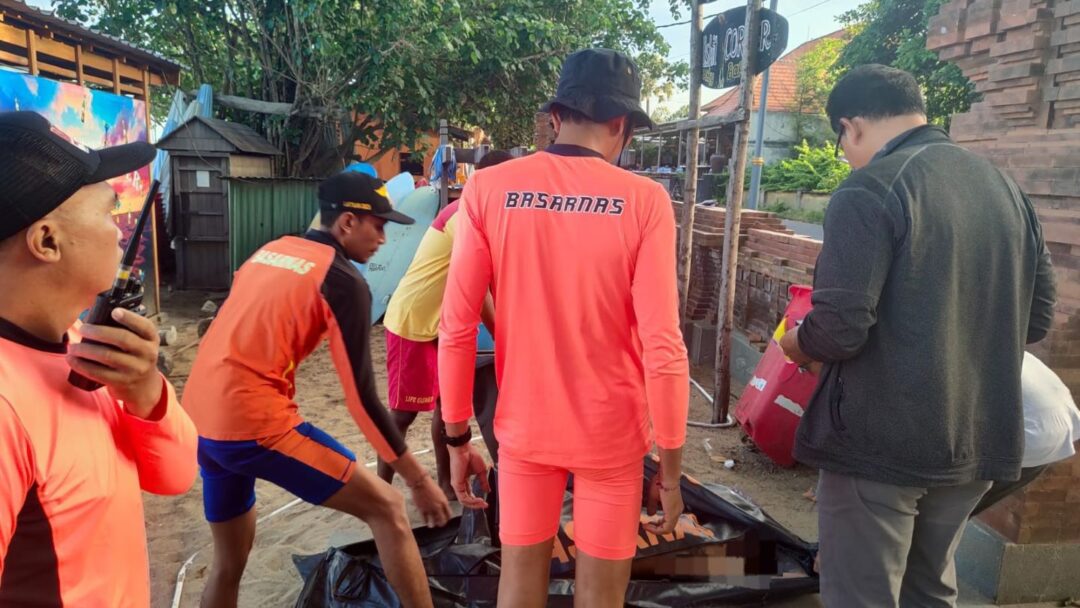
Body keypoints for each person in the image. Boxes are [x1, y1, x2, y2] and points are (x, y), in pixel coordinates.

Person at [779, 64, 1056, 607]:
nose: (846, 153)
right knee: (929, 589)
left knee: (863, 596)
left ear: (850, 126)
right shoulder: (1005, 190)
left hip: (880, 442)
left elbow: (838, 329)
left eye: (841, 141)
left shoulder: (870, 188)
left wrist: (794, 343)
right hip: (974, 437)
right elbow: (1037, 317)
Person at [438, 48, 690, 608]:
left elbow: (456, 326)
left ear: (556, 119)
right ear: (622, 126)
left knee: (519, 586)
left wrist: (457, 439)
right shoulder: (646, 200)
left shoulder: (487, 189)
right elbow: (663, 345)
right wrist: (671, 472)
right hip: (612, 437)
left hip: (525, 431)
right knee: (601, 597)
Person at [182, 172, 451, 608]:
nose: (383, 239)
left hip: (200, 418)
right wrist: (417, 479)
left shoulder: (272, 250)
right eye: (379, 226)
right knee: (388, 509)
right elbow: (362, 400)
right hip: (253, 425)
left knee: (228, 561)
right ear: (347, 222)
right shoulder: (343, 281)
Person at [0, 111, 198, 605]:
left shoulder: (78, 340)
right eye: (109, 213)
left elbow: (174, 476)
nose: (119, 230)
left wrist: (145, 392)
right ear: (47, 240)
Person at [377, 150, 512, 494]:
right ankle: (380, 489)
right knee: (403, 414)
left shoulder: (480, 214)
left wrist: (505, 340)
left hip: (439, 325)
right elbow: (483, 293)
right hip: (414, 320)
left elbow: (479, 286)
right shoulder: (465, 214)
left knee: (446, 405)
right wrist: (504, 340)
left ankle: (446, 484)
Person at [971, 351, 1080, 515]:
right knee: (957, 512)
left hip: (1027, 433)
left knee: (944, 509)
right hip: (1061, 432)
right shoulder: (1005, 342)